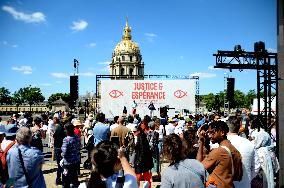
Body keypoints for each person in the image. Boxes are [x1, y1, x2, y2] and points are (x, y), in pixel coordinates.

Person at [197, 120, 243, 188]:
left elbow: (198, 168)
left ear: (222, 133)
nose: (209, 136)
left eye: (212, 132)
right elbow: (238, 176)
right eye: (208, 133)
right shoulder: (235, 151)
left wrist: (201, 142)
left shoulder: (218, 152)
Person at [227, 116, 257, 188]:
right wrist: (247, 178)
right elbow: (256, 167)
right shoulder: (249, 143)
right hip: (245, 184)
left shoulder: (218, 144)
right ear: (240, 126)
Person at [61, 122, 81, 188]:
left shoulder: (66, 139)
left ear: (67, 130)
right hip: (76, 160)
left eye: (65, 129)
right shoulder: (77, 137)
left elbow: (64, 152)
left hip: (68, 162)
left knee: (66, 180)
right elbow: (79, 147)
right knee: (74, 178)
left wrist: (62, 154)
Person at [53, 114, 66, 185]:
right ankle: (62, 179)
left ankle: (58, 179)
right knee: (62, 164)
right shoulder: (62, 129)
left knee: (59, 164)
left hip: (57, 147)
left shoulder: (57, 127)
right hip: (60, 147)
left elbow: (54, 136)